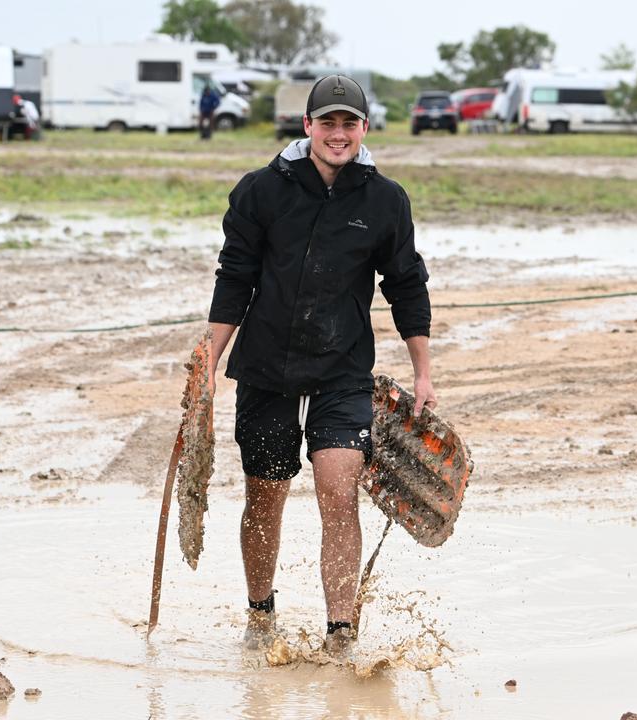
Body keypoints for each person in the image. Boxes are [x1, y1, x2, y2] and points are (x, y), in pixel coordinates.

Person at [206, 74, 435, 656]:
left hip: (342, 369)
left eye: (349, 123)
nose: (338, 134)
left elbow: (406, 285)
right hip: (265, 368)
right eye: (327, 122)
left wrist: (423, 374)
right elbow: (234, 276)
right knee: (266, 494)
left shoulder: (385, 200)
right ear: (306, 126)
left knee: (339, 489)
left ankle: (341, 636)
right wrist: (208, 363)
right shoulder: (261, 191)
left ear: (364, 128)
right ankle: (261, 619)